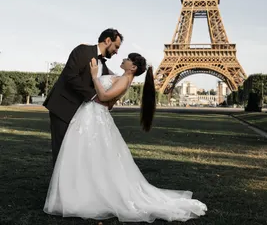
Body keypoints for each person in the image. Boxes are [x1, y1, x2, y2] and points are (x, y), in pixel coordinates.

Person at [44, 53, 207, 222]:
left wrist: (93, 76)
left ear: (133, 67)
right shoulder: (123, 78)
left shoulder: (124, 80)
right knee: (91, 155)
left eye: (128, 59)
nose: (124, 59)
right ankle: (84, 191)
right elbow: (110, 104)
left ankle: (82, 193)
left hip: (93, 117)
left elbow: (104, 97)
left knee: (87, 154)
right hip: (93, 116)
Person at [43, 28, 123, 165]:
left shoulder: (103, 66)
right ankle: (59, 186)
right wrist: (93, 96)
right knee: (61, 150)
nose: (117, 51)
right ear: (108, 40)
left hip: (81, 115)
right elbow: (70, 76)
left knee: (73, 152)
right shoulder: (82, 51)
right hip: (63, 108)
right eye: (116, 46)